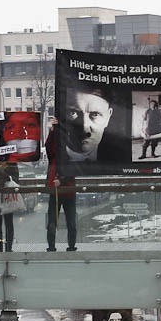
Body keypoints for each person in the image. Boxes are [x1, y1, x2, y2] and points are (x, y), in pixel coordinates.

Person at [46, 117, 77, 251]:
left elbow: (73, 170)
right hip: (61, 190)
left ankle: (67, 246)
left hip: (65, 190)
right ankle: (55, 246)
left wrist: (61, 180)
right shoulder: (57, 154)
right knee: (55, 221)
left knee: (68, 222)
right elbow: (49, 147)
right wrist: (52, 132)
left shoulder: (70, 152)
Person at [64, 87, 113, 162]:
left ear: (108, 117)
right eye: (73, 113)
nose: (84, 128)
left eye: (95, 114)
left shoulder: (115, 158)